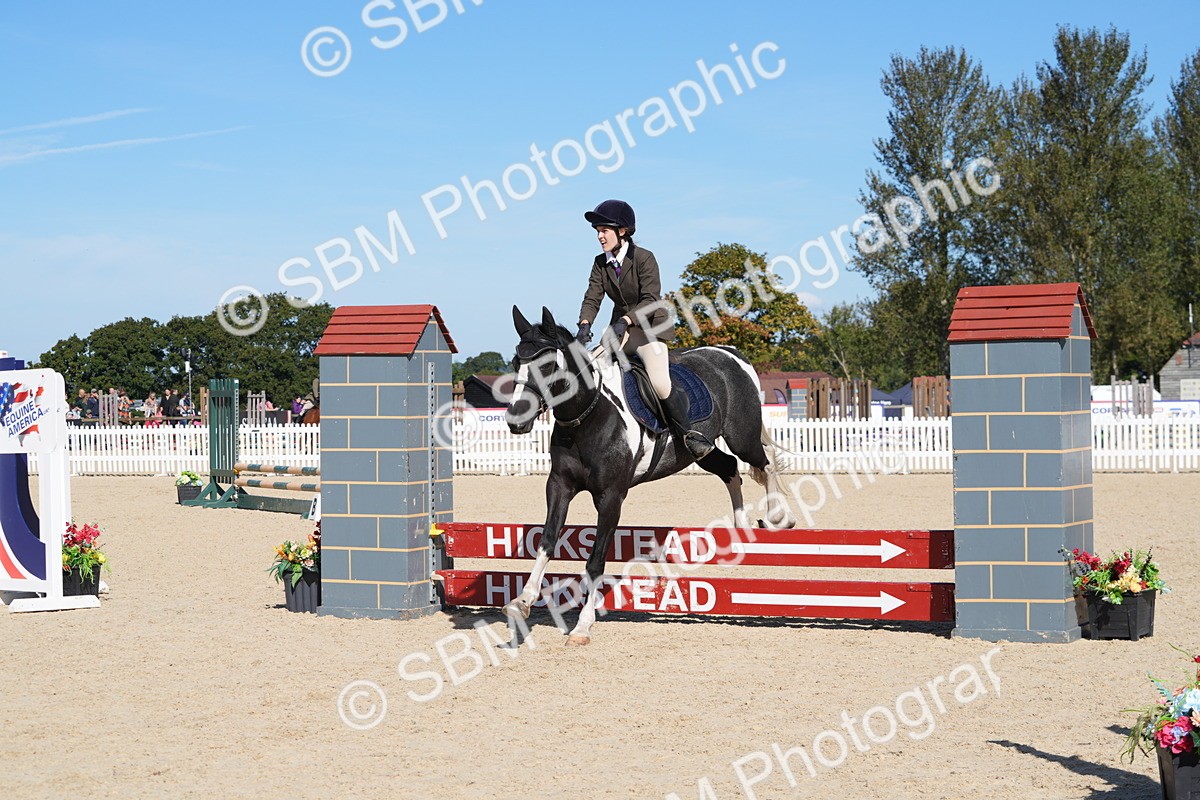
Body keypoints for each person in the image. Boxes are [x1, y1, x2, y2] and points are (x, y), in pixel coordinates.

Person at [577, 199, 713, 459]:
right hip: (620, 328)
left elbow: (651, 299)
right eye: (597, 231)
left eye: (604, 230)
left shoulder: (644, 258)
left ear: (622, 231)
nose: (599, 236)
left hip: (650, 328)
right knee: (590, 367)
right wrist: (584, 325)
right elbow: (592, 297)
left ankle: (688, 436)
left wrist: (626, 321)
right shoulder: (599, 263)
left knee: (661, 383)